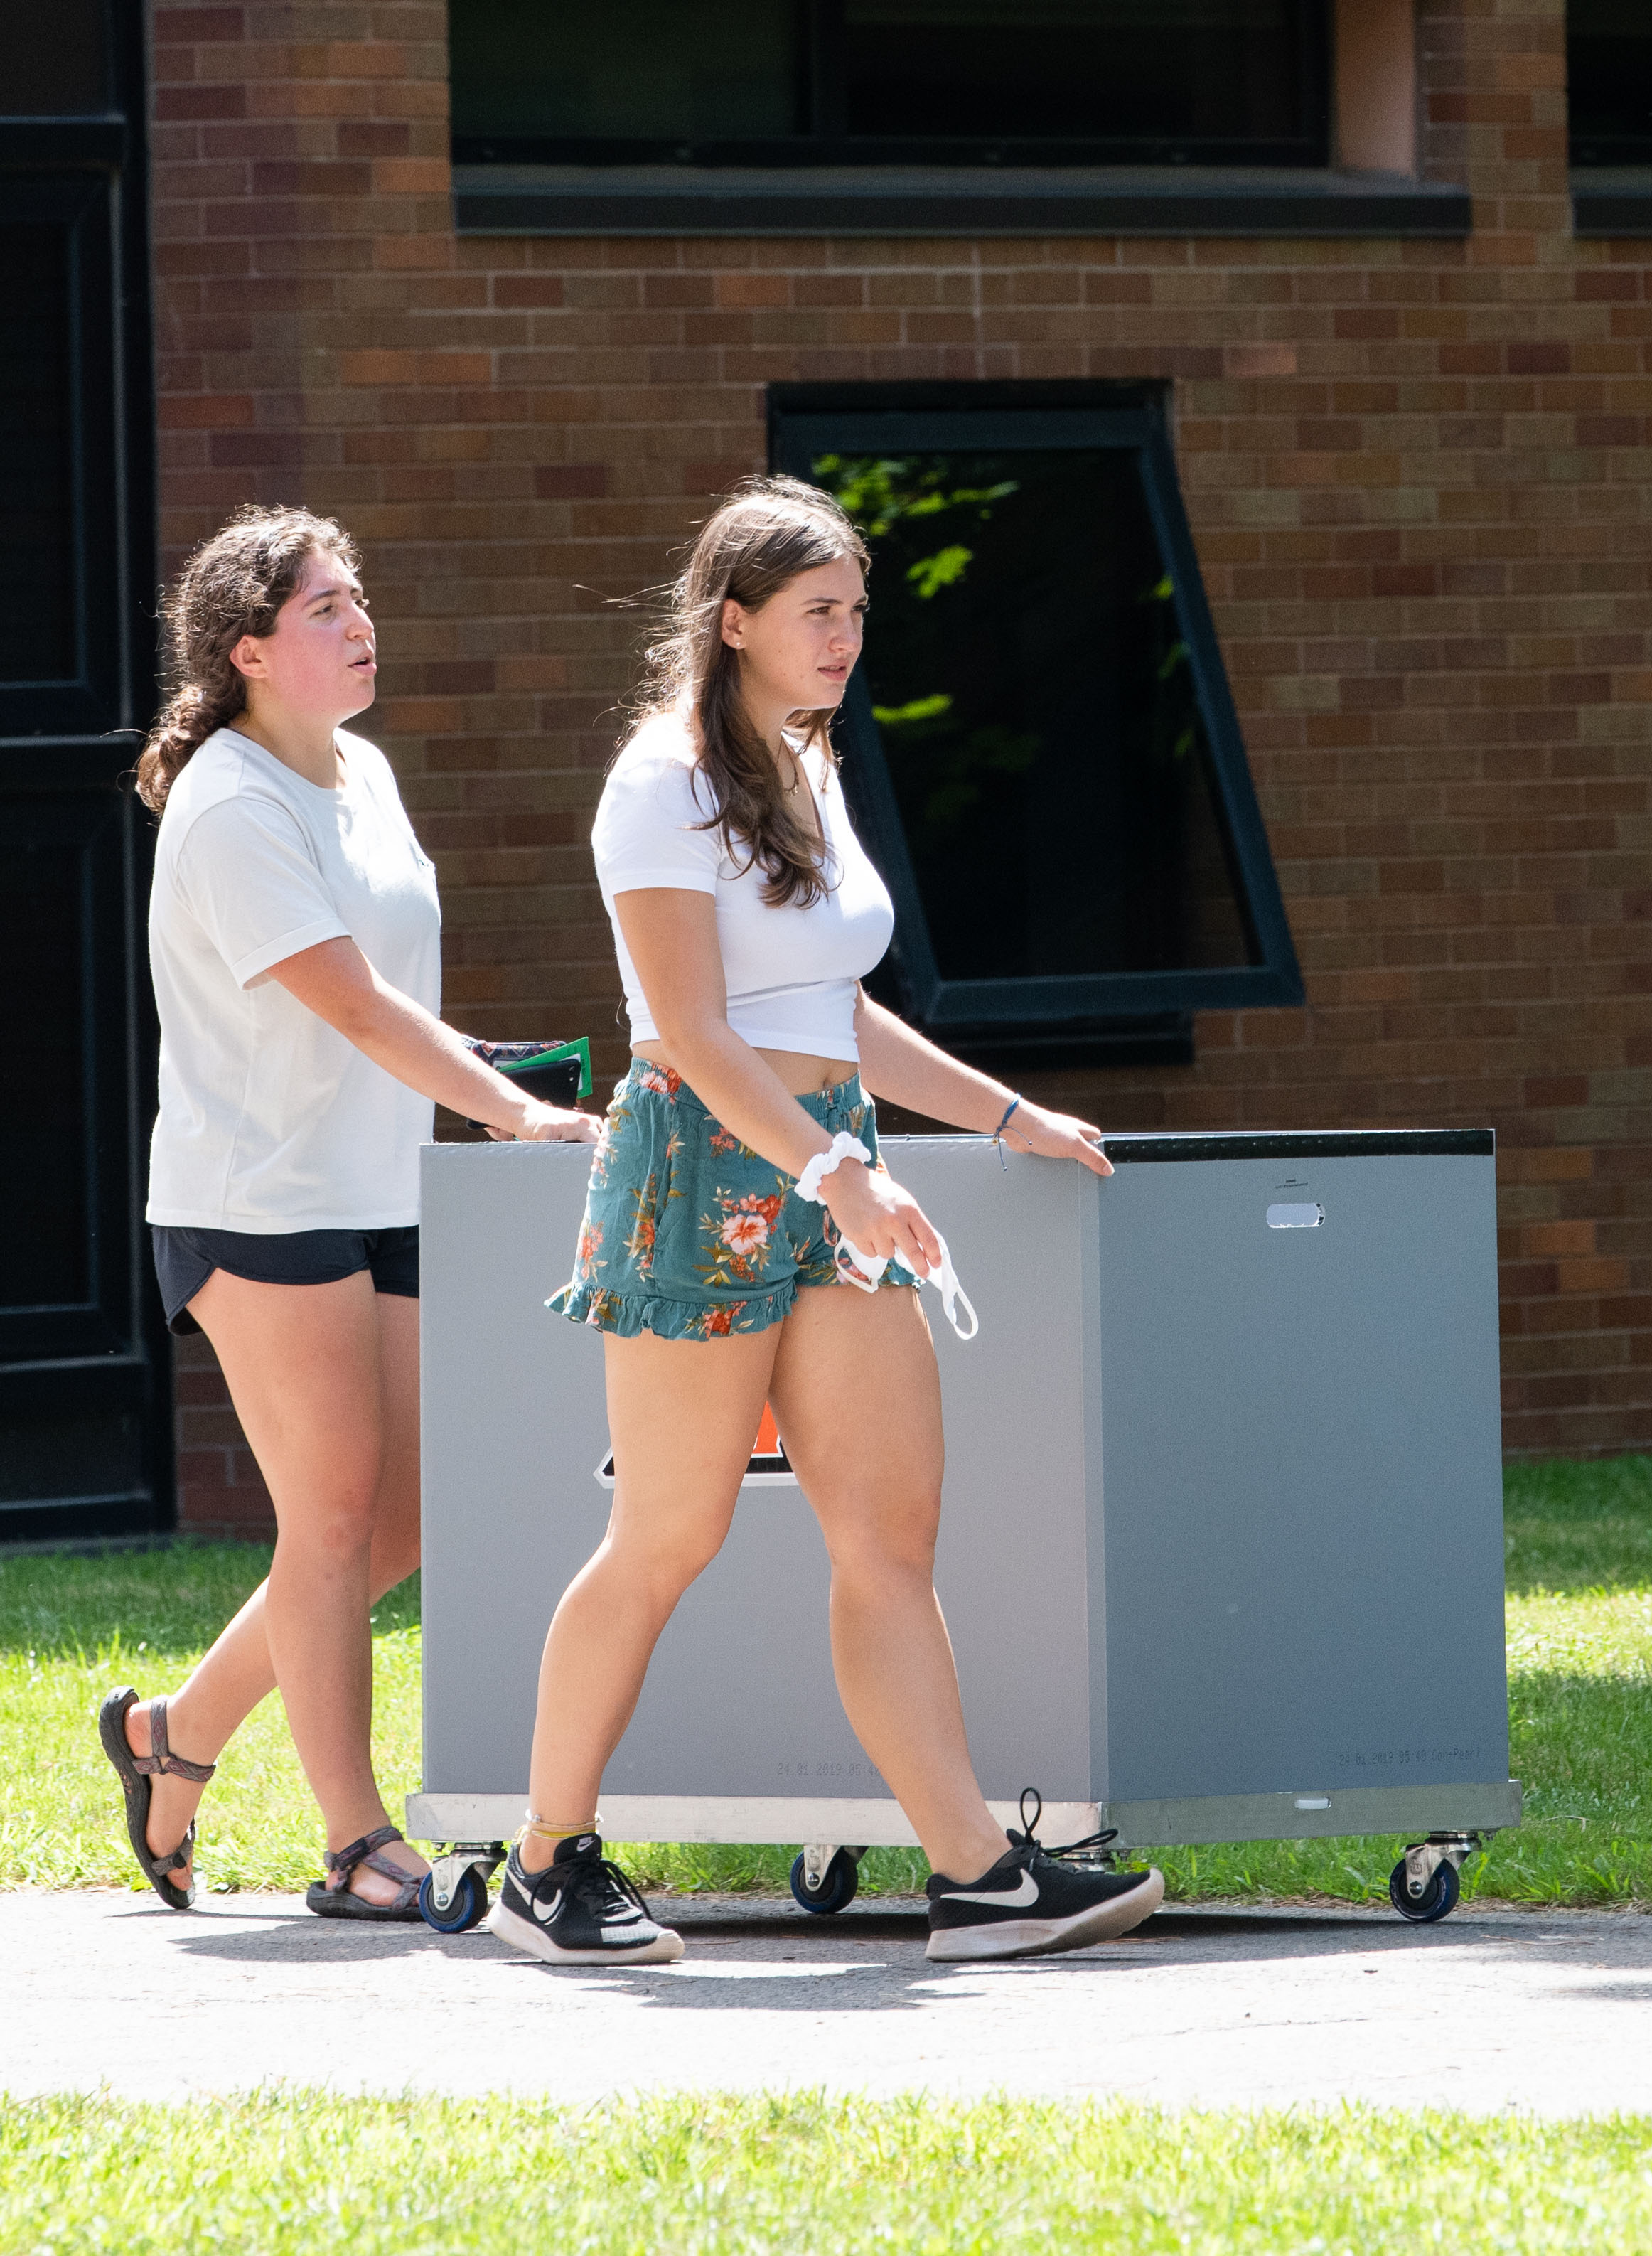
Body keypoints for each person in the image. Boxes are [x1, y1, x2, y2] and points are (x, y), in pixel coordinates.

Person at [481, 476, 1154, 1967]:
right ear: (734, 622)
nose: (846, 636)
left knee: (887, 1534)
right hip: (704, 1168)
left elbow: (836, 1013)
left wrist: (1004, 1116)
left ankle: (973, 1870)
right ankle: (545, 1860)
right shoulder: (659, 781)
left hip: (828, 1160)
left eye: (856, 610)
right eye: (817, 612)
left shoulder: (807, 761)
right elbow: (693, 1030)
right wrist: (831, 1171)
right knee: (667, 1532)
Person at [93, 505, 599, 1920]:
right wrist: (511, 1115)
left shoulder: (361, 775)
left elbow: (393, 1007)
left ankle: (169, 1734)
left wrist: (492, 1078)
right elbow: (351, 1000)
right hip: (258, 1205)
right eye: (324, 608)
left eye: (358, 597)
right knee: (328, 1522)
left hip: (383, 1184)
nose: (359, 621)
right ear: (247, 650)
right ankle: (355, 1841)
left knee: (397, 1519)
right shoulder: (230, 803)